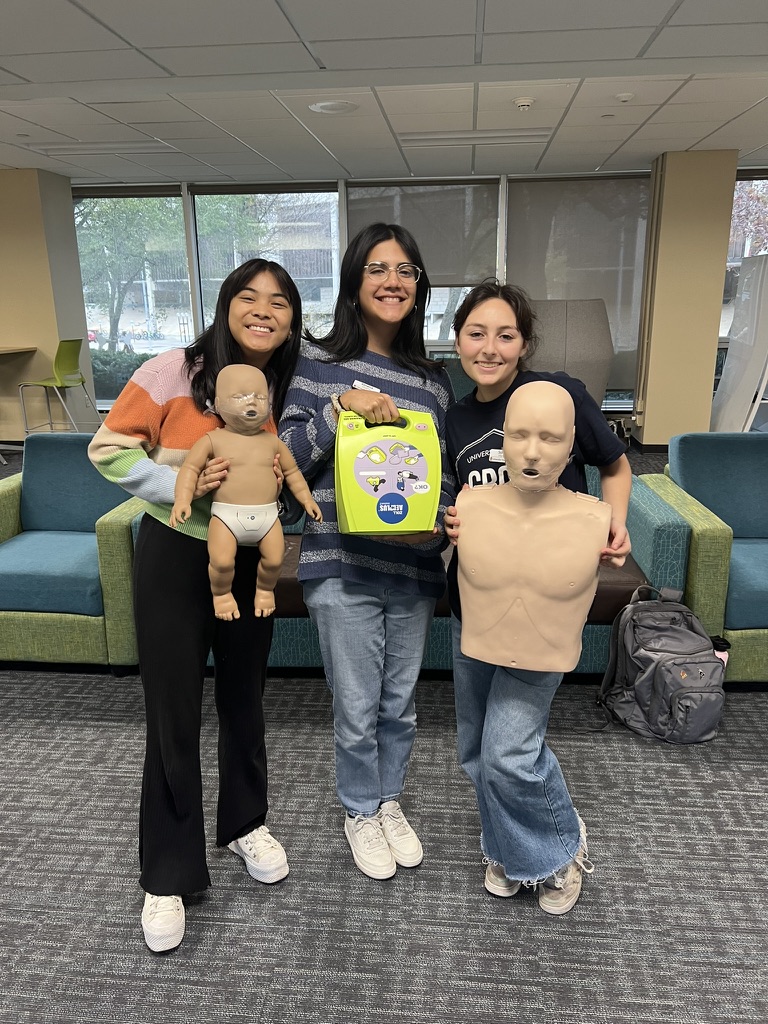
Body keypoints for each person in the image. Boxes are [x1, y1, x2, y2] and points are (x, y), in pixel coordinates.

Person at [88, 258, 303, 952]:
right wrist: (180, 478)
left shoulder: (290, 381)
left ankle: (245, 823)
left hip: (250, 557)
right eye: (249, 297)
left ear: (293, 319)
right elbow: (108, 449)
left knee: (245, 698)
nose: (263, 310)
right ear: (225, 305)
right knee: (172, 709)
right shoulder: (173, 371)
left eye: (280, 301)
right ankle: (168, 871)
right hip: (176, 554)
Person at [444, 280, 632, 915]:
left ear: (524, 343)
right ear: (457, 341)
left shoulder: (561, 393)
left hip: (549, 608)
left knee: (509, 751)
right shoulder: (456, 417)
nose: (490, 347)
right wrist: (448, 520)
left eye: (506, 335)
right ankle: (507, 849)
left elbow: (615, 464)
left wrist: (615, 522)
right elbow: (441, 496)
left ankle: (557, 848)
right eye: (476, 333)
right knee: (477, 751)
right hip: (475, 605)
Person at [278, 223, 453, 880]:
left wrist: (437, 528)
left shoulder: (433, 381)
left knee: (399, 705)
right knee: (355, 706)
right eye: (378, 268)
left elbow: (442, 475)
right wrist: (338, 410)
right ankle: (359, 808)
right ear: (354, 283)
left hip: (413, 566)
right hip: (340, 565)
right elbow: (284, 463)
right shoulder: (316, 363)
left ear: (419, 288)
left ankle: (387, 800)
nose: (392, 281)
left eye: (406, 271)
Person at [170, 363, 322, 620]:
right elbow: (190, 470)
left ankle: (265, 591)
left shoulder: (273, 442)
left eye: (260, 397)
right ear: (218, 404)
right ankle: (221, 595)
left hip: (267, 517)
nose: (252, 402)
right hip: (226, 517)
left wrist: (307, 500)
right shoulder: (212, 440)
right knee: (221, 562)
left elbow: (293, 473)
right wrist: (182, 499)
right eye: (240, 396)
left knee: (275, 560)